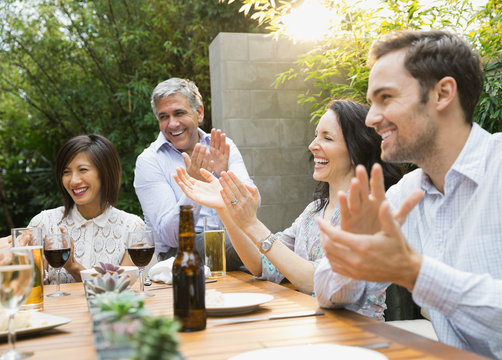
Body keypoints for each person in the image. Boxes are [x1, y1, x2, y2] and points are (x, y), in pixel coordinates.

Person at [314, 30, 502, 358]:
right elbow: (328, 293)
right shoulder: (407, 192)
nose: (370, 118)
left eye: (385, 98)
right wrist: (352, 247)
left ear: (442, 94)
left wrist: (414, 272)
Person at [175, 100, 402, 320]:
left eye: (327, 138)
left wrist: (251, 223)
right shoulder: (314, 211)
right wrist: (225, 208)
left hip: (358, 335)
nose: (313, 145)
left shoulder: (370, 213)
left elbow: (313, 281)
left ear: (357, 150)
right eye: (316, 135)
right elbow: (260, 264)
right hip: (313, 327)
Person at [134, 77, 253, 268]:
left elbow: (252, 204)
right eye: (164, 117)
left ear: (199, 112)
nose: (172, 124)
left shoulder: (223, 145)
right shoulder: (149, 161)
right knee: (259, 246)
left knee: (270, 255)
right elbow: (171, 237)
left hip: (231, 244)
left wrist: (224, 176)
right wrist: (195, 187)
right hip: (179, 253)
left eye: (179, 113)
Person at [28, 134, 145, 283]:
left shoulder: (132, 227)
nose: (74, 181)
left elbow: (119, 287)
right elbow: (27, 286)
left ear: (105, 173)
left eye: (83, 170)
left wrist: (73, 266)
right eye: (66, 172)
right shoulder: (43, 223)